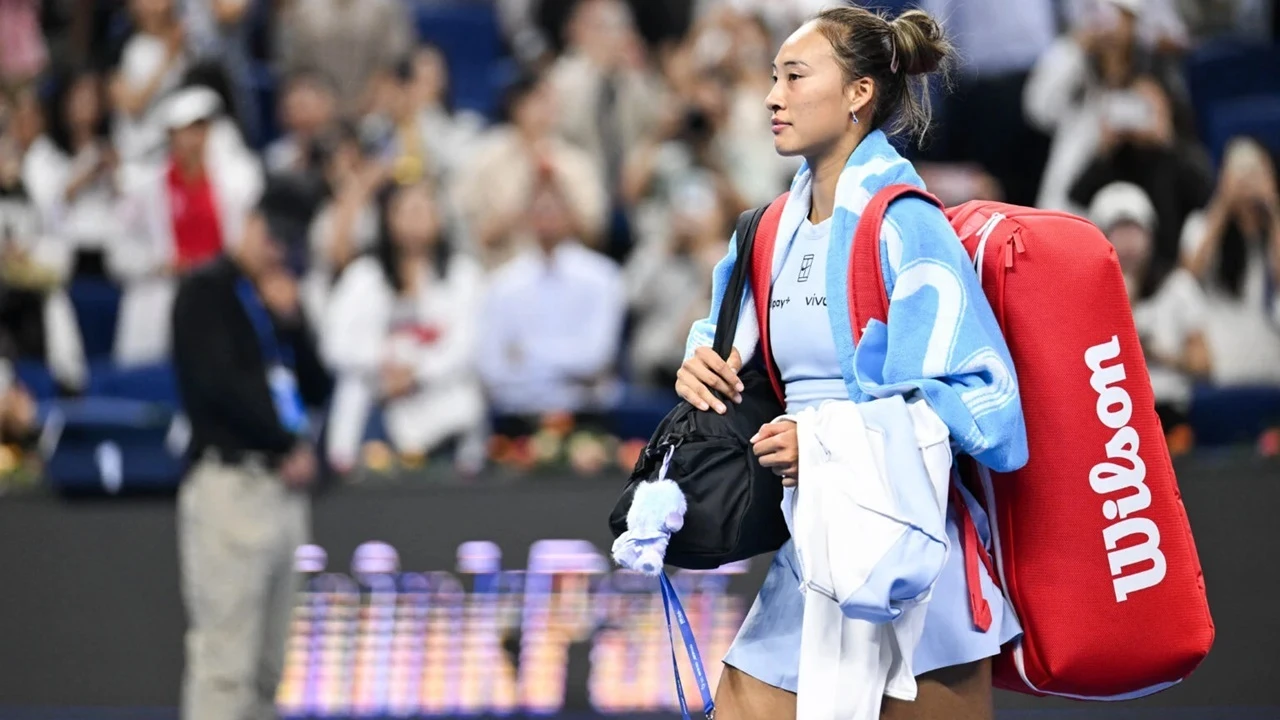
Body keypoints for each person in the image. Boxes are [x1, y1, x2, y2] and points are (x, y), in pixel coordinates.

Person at [675, 7, 1028, 719]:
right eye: (773, 78)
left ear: (858, 93)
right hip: (811, 546)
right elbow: (721, 345)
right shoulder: (763, 233)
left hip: (917, 557)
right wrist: (699, 368)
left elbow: (987, 404)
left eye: (795, 77)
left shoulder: (907, 224)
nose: (771, 96)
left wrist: (827, 443)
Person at [171, 204, 331, 720]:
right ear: (251, 224)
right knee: (225, 664)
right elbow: (217, 386)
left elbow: (317, 387)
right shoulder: (206, 291)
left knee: (271, 668)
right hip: (231, 484)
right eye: (272, 235)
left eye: (288, 241)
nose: (277, 250)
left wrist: (295, 323)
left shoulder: (282, 296)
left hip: (283, 494)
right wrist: (285, 444)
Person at [321, 180, 487, 473]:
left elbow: (470, 344)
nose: (415, 218)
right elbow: (335, 346)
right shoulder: (364, 277)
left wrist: (417, 373)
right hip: (378, 405)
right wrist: (387, 361)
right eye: (406, 210)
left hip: (446, 413)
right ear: (388, 218)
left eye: (423, 209)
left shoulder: (463, 276)